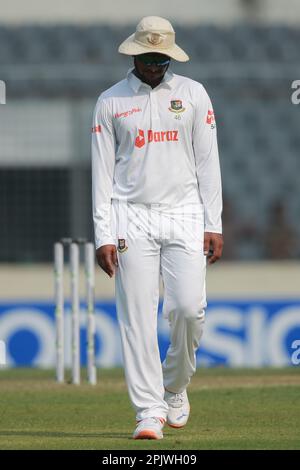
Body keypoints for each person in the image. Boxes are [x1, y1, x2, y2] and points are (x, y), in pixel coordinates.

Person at [91, 16, 223, 440]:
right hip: (131, 213)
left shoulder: (193, 94)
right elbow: (101, 174)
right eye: (147, 58)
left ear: (170, 57)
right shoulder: (110, 101)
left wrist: (213, 222)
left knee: (188, 308)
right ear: (134, 54)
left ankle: (175, 387)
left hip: (185, 211)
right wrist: (103, 234)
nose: (154, 65)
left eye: (161, 59)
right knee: (137, 317)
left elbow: (208, 162)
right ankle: (148, 411)